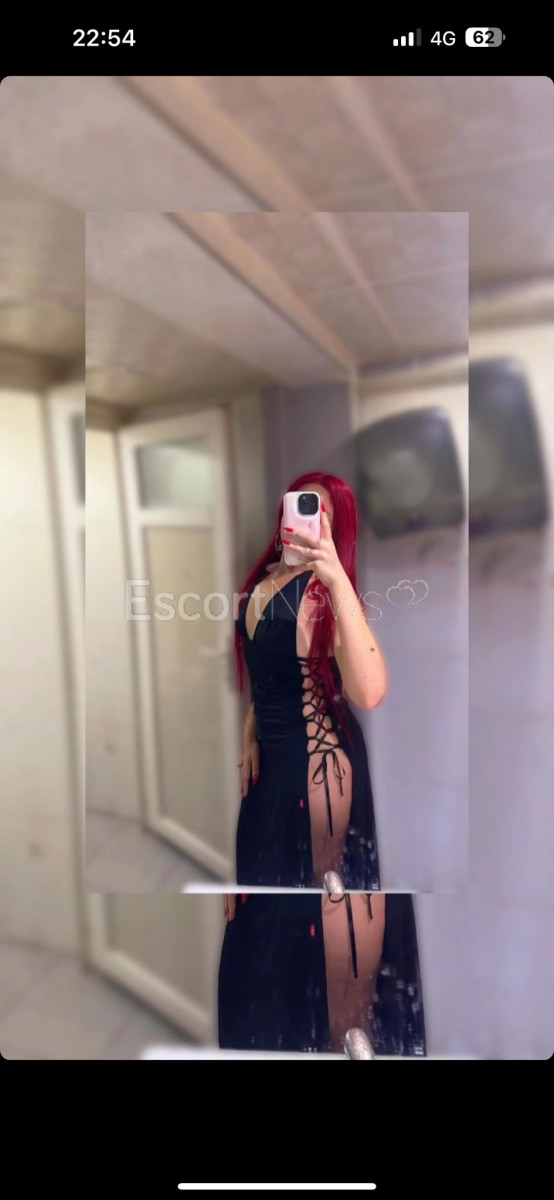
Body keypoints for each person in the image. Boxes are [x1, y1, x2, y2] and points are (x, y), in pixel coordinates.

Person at [235, 471, 385, 888]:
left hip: (318, 766)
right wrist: (251, 730)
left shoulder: (330, 596)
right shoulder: (266, 579)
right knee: (261, 887)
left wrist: (337, 579)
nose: (305, 517)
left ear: (337, 527)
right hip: (271, 761)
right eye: (298, 504)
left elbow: (369, 693)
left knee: (314, 904)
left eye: (320, 512)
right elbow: (269, 668)